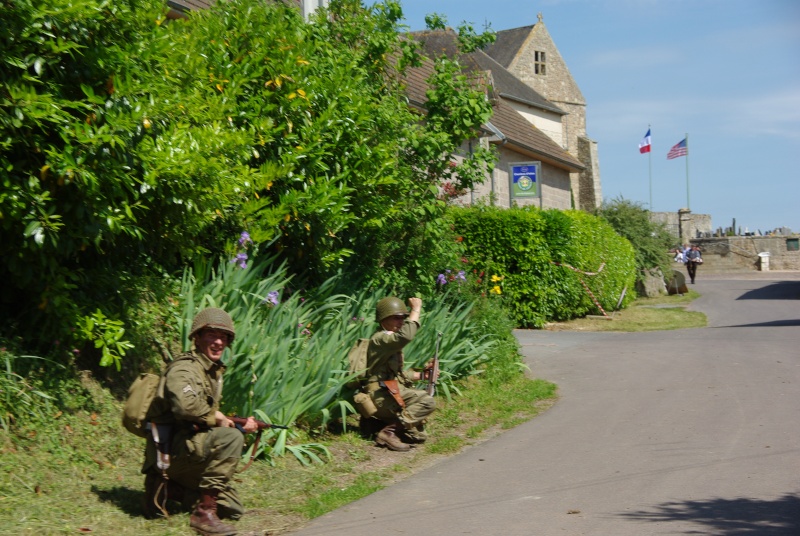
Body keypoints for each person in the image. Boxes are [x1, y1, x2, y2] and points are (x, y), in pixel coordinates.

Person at [141, 307, 257, 536]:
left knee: (232, 508)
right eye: (212, 335)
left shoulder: (210, 371)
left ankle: (166, 490)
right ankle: (203, 514)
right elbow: (184, 406)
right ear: (197, 337)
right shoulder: (184, 368)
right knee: (232, 437)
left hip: (188, 447)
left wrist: (236, 422)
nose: (218, 342)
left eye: (224, 337)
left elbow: (201, 417)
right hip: (169, 452)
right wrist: (218, 418)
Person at [355, 296, 436, 452]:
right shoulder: (380, 339)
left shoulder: (389, 341)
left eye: (404, 318)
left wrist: (422, 376)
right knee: (427, 402)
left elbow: (395, 376)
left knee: (419, 436)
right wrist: (416, 309)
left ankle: (374, 424)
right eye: (397, 318)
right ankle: (388, 432)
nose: (402, 321)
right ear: (384, 319)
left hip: (390, 392)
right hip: (378, 396)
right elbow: (406, 336)